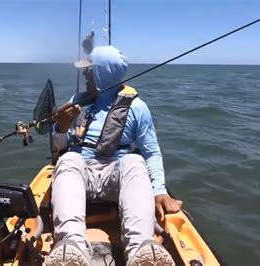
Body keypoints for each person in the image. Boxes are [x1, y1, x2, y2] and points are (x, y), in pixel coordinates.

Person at [45, 45, 182, 266]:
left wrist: (159, 190)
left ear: (102, 73)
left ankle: (142, 253)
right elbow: (60, 147)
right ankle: (72, 249)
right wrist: (61, 128)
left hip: (116, 178)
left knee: (134, 161)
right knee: (69, 159)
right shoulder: (77, 101)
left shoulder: (138, 108)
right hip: (81, 172)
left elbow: (152, 152)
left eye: (89, 70)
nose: (84, 74)